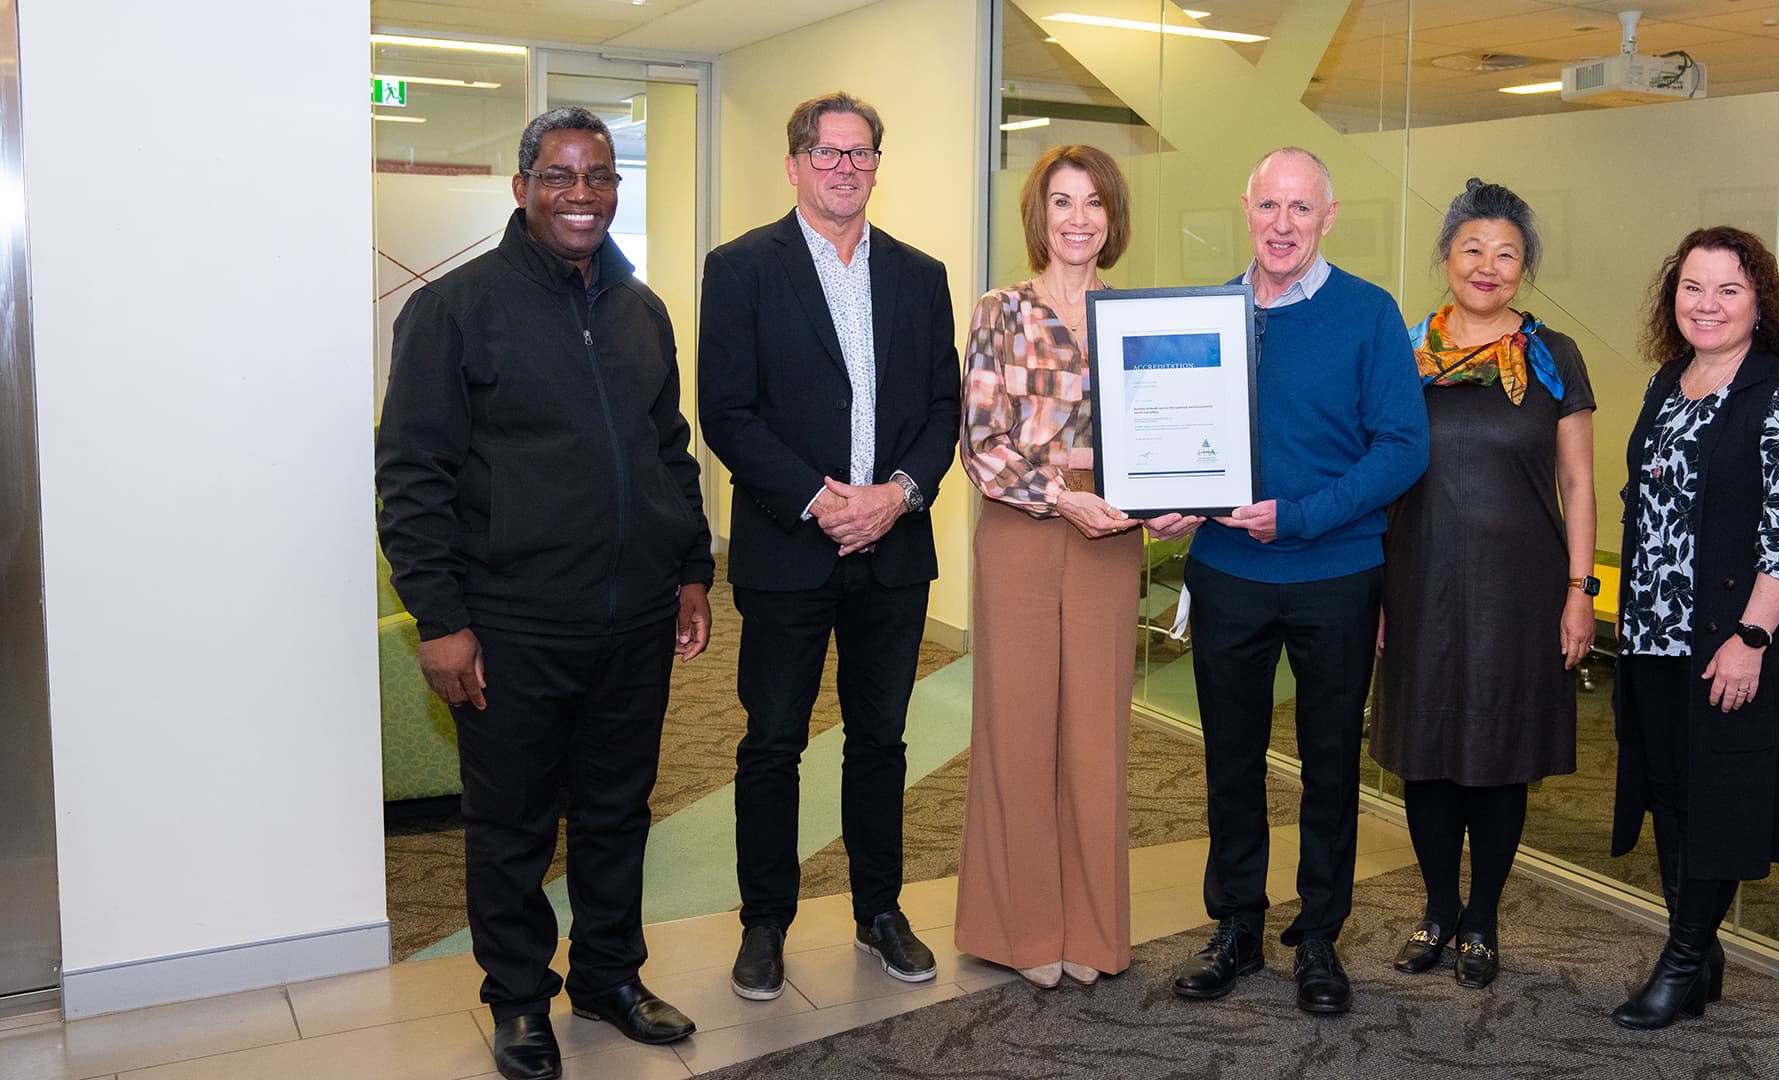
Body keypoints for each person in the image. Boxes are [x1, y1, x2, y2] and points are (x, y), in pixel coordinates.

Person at [377, 107, 712, 1080]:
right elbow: (412, 478)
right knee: (513, 823)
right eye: (560, 175)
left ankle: (609, 975)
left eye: (599, 176)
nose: (582, 194)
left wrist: (690, 568)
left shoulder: (640, 312)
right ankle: (519, 1000)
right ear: (521, 187)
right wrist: (442, 622)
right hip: (513, 626)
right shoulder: (454, 312)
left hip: (634, 618)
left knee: (617, 811)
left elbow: (667, 453)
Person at [698, 91, 962, 1003]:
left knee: (880, 741)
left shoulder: (920, 275)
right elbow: (725, 411)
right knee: (772, 743)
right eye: (827, 152)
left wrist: (896, 497)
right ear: (795, 163)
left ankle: (878, 910)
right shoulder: (739, 269)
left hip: (893, 550)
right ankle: (764, 924)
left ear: (877, 166)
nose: (844, 167)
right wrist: (820, 500)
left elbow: (942, 410)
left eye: (860, 154)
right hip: (786, 551)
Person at [1167, 147, 1428, 1014]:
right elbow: (1175, 433)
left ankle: (1318, 934)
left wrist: (1304, 515)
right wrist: (1169, 500)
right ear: (1246, 207)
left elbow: (1403, 448)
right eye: (1269, 207)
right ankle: (1237, 925)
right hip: (1228, 572)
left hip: (1336, 574)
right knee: (1229, 761)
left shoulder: (1368, 314)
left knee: (1328, 766)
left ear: (1329, 216)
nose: (1283, 226)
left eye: (1301, 210)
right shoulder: (1207, 313)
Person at [952, 145, 1199, 989]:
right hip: (1025, 527)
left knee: (1095, 737)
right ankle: (1023, 930)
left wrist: (1178, 498)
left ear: (1112, 217)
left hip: (1113, 533)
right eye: (1062, 201)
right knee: (1018, 729)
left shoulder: (1138, 318)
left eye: (1094, 202)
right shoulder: (1001, 310)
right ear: (1040, 215)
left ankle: (1092, 931)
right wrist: (1063, 496)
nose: (1079, 217)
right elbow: (980, 446)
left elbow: (1167, 432)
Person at [1370, 179, 1596, 990]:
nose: (1488, 266)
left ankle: (1484, 918)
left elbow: (1580, 485)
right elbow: (1373, 475)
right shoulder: (1401, 351)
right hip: (1416, 582)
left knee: (1499, 760)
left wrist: (1581, 588)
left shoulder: (1553, 356)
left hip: (1522, 593)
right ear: (1445, 257)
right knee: (1427, 758)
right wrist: (1375, 594)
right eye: (1473, 249)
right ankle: (1437, 910)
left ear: (1525, 266)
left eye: (1507, 253)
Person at [1609, 225, 1779, 1029]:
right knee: (1670, 791)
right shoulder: (1669, 381)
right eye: (1692, 288)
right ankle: (1698, 951)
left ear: (1759, 301)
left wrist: (1753, 639)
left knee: (1719, 797)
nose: (1707, 305)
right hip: (1653, 633)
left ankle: (1679, 962)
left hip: (1731, 638)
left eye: (1728, 290)